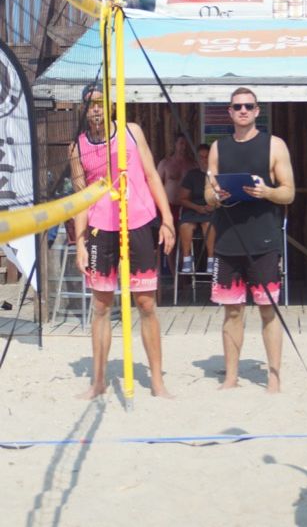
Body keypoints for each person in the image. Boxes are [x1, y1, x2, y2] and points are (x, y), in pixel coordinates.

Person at [69, 82, 175, 399]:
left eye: (100, 102)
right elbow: (80, 200)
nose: (96, 108)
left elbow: (152, 175)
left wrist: (167, 219)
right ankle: (98, 382)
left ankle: (157, 382)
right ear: (84, 109)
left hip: (138, 221)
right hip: (101, 229)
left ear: (111, 105)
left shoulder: (131, 131)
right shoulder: (77, 147)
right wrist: (80, 243)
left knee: (146, 304)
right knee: (101, 307)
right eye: (90, 104)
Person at [204, 88, 295, 393]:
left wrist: (267, 192)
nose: (243, 110)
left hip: (263, 238)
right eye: (237, 106)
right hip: (228, 238)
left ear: (257, 111)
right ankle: (231, 377)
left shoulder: (274, 145)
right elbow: (207, 194)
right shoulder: (218, 148)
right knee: (232, 311)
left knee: (268, 309)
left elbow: (289, 192)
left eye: (248, 106)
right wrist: (216, 196)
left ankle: (274, 377)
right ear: (229, 112)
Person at [157, 133, 197, 273]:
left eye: (185, 144)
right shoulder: (165, 163)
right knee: (168, 238)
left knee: (184, 239)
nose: (183, 147)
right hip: (169, 206)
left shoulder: (193, 165)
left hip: (187, 206)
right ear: (175, 144)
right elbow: (156, 185)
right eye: (181, 143)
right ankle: (171, 274)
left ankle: (183, 275)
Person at [178, 143, 215, 273]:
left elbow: (224, 195)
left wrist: (214, 205)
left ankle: (211, 260)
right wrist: (197, 207)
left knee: (208, 224)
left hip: (211, 209)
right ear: (197, 159)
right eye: (201, 157)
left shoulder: (216, 174)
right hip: (193, 208)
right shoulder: (192, 175)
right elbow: (182, 198)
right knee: (185, 225)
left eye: (207, 157)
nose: (204, 160)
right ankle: (187, 259)